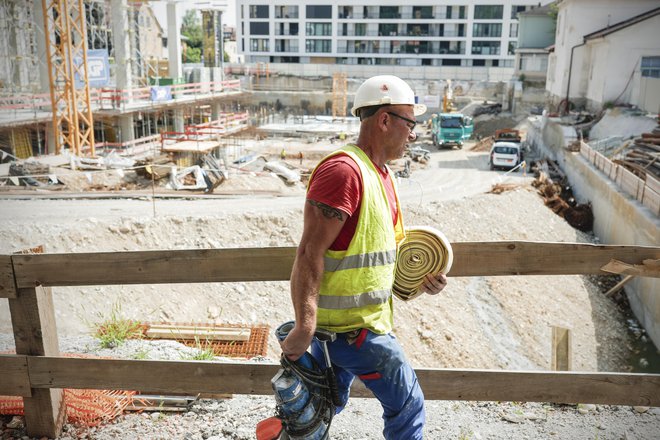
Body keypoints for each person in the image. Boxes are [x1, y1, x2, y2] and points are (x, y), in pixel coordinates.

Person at [280, 75, 448, 439]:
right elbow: (309, 252)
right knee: (408, 405)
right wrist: (304, 327)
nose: (414, 134)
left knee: (316, 413)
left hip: (358, 326)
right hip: (349, 332)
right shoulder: (343, 172)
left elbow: (380, 254)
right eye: (410, 123)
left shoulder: (382, 175)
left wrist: (422, 279)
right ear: (384, 120)